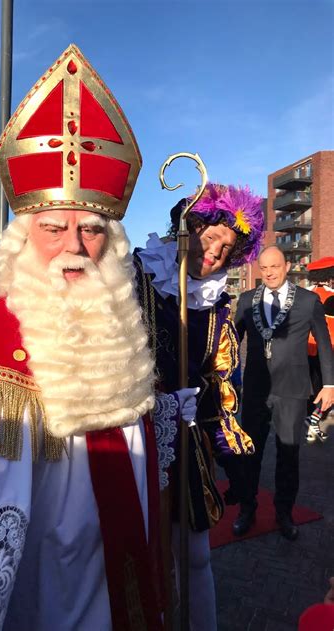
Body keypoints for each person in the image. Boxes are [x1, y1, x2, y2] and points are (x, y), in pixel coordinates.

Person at [0, 44, 197, 631]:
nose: (75, 247)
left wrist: (162, 420)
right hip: (49, 597)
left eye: (92, 230)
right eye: (54, 228)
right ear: (23, 238)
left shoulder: (119, 322)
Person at [134, 182, 265, 631]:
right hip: (134, 437)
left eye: (226, 248)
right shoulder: (137, 276)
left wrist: (207, 417)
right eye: (211, 238)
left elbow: (222, 381)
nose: (215, 253)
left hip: (187, 443)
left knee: (194, 555)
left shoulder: (217, 308)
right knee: (135, 554)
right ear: (190, 227)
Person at [232, 245, 333, 540]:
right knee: (250, 451)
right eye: (264, 268)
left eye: (275, 266)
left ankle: (284, 513)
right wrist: (218, 372)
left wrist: (329, 384)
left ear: (287, 266)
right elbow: (232, 339)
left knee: (288, 454)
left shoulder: (308, 300)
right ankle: (247, 509)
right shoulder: (247, 300)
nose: (269, 273)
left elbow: (324, 345)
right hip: (255, 390)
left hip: (292, 390)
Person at [305, 257, 334, 442]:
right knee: (328, 389)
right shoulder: (330, 297)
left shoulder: (309, 293)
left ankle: (312, 423)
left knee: (314, 390)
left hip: (308, 349)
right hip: (329, 349)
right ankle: (313, 422)